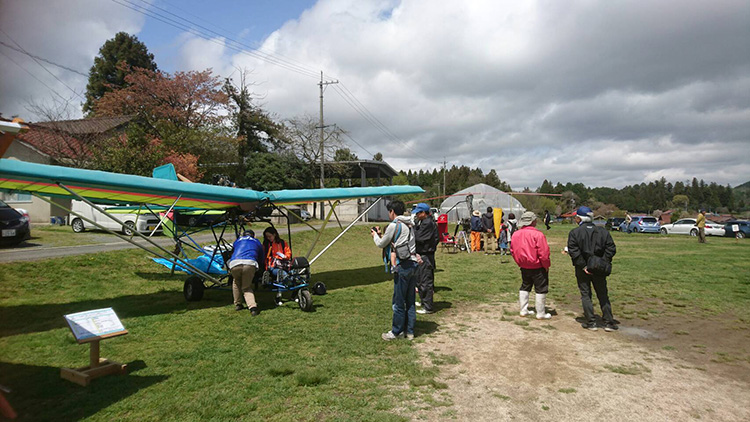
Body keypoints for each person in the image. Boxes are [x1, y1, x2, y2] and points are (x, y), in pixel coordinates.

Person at [372, 200, 419, 341]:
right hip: (413, 264)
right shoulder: (409, 224)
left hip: (403, 266)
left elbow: (381, 244)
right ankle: (409, 332)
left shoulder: (394, 225)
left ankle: (396, 332)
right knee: (410, 301)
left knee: (399, 302)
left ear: (392, 211)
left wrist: (375, 235)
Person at [567, 206, 618, 332]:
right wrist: (602, 262)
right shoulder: (603, 232)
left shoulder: (575, 233)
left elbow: (574, 251)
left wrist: (584, 266)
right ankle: (609, 322)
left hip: (582, 269)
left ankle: (591, 322)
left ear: (580, 218)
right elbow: (611, 248)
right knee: (603, 294)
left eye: (576, 217)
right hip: (599, 268)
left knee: (586, 294)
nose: (575, 219)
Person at [510, 212, 552, 319]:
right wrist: (546, 265)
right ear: (533, 221)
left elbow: (513, 251)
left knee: (525, 286)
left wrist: (519, 262)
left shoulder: (516, 234)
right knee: (541, 288)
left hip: (524, 266)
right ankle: (541, 313)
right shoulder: (538, 234)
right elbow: (544, 253)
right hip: (538, 266)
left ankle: (523, 310)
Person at [228, 230, 263, 316]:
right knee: (246, 287)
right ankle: (253, 307)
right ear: (253, 235)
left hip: (235, 263)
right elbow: (261, 256)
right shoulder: (257, 241)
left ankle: (238, 304)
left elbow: (233, 251)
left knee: (236, 282)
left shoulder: (238, 240)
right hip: (250, 263)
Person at [412, 203, 438, 315]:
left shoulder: (427, 223)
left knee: (425, 281)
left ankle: (428, 306)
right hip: (422, 254)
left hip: (426, 255)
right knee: (419, 279)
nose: (416, 215)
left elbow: (419, 237)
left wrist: (412, 229)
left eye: (418, 213)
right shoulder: (423, 222)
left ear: (424, 213)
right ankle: (423, 301)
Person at [263, 227, 292, 306]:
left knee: (293, 275)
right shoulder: (266, 245)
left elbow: (288, 253)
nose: (268, 238)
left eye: (270, 236)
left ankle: (288, 293)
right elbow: (264, 257)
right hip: (272, 266)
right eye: (267, 237)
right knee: (282, 274)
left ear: (274, 235)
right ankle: (279, 295)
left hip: (283, 264)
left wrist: (285, 256)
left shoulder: (282, 243)